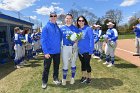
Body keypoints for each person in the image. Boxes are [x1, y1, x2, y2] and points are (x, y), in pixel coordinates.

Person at [41, 11, 61, 89]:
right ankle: (44, 81)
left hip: (57, 51)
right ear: (49, 17)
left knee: (56, 67)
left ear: (56, 17)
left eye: (54, 16)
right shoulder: (46, 27)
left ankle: (55, 79)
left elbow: (60, 38)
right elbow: (43, 40)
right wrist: (45, 52)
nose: (53, 17)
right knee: (46, 68)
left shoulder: (57, 27)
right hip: (48, 52)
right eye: (51, 16)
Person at [60, 13, 79, 85]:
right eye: (67, 18)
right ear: (65, 19)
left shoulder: (75, 28)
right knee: (65, 64)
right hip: (65, 47)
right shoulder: (61, 28)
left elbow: (78, 38)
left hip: (73, 47)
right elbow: (59, 38)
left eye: (70, 18)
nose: (68, 20)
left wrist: (76, 41)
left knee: (73, 63)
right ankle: (64, 79)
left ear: (72, 19)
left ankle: (72, 78)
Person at [76, 16, 94, 84]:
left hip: (87, 51)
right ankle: (83, 77)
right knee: (82, 64)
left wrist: (91, 51)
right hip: (80, 51)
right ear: (77, 22)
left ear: (84, 21)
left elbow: (91, 40)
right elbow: (78, 40)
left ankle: (89, 77)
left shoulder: (88, 29)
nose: (81, 22)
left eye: (82, 20)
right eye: (79, 20)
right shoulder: (78, 30)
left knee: (87, 64)